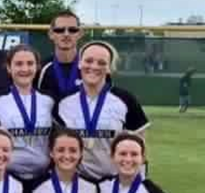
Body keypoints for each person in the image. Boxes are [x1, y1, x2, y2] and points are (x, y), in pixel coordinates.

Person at [55, 41, 150, 182]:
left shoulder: (125, 100)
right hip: (76, 184)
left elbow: (140, 145)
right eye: (89, 61)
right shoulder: (64, 101)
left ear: (109, 68)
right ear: (80, 63)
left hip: (114, 182)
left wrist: (139, 183)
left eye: (101, 63)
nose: (94, 66)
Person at [0, 44, 54, 189]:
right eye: (18, 64)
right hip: (7, 175)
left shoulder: (50, 100)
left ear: (37, 67)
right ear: (9, 67)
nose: (25, 69)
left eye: (30, 63)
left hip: (43, 178)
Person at [37, 10, 85, 101]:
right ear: (51, 34)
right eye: (59, 30)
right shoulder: (41, 69)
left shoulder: (91, 67)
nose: (66, 34)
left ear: (80, 34)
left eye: (72, 30)